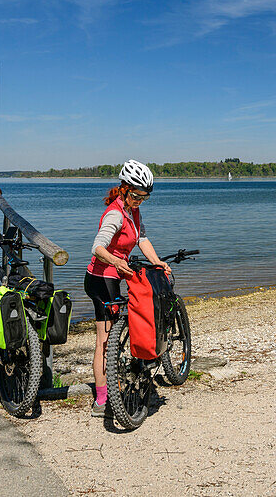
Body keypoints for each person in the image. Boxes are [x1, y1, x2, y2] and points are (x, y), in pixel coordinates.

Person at [85, 159, 170, 416]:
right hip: (100, 278)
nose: (139, 201)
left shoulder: (133, 211)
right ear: (124, 188)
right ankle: (101, 400)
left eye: (144, 198)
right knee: (105, 338)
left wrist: (157, 262)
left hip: (117, 275)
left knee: (125, 322)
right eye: (135, 196)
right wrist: (116, 261)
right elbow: (97, 248)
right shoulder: (114, 214)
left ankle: (119, 374)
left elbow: (141, 238)